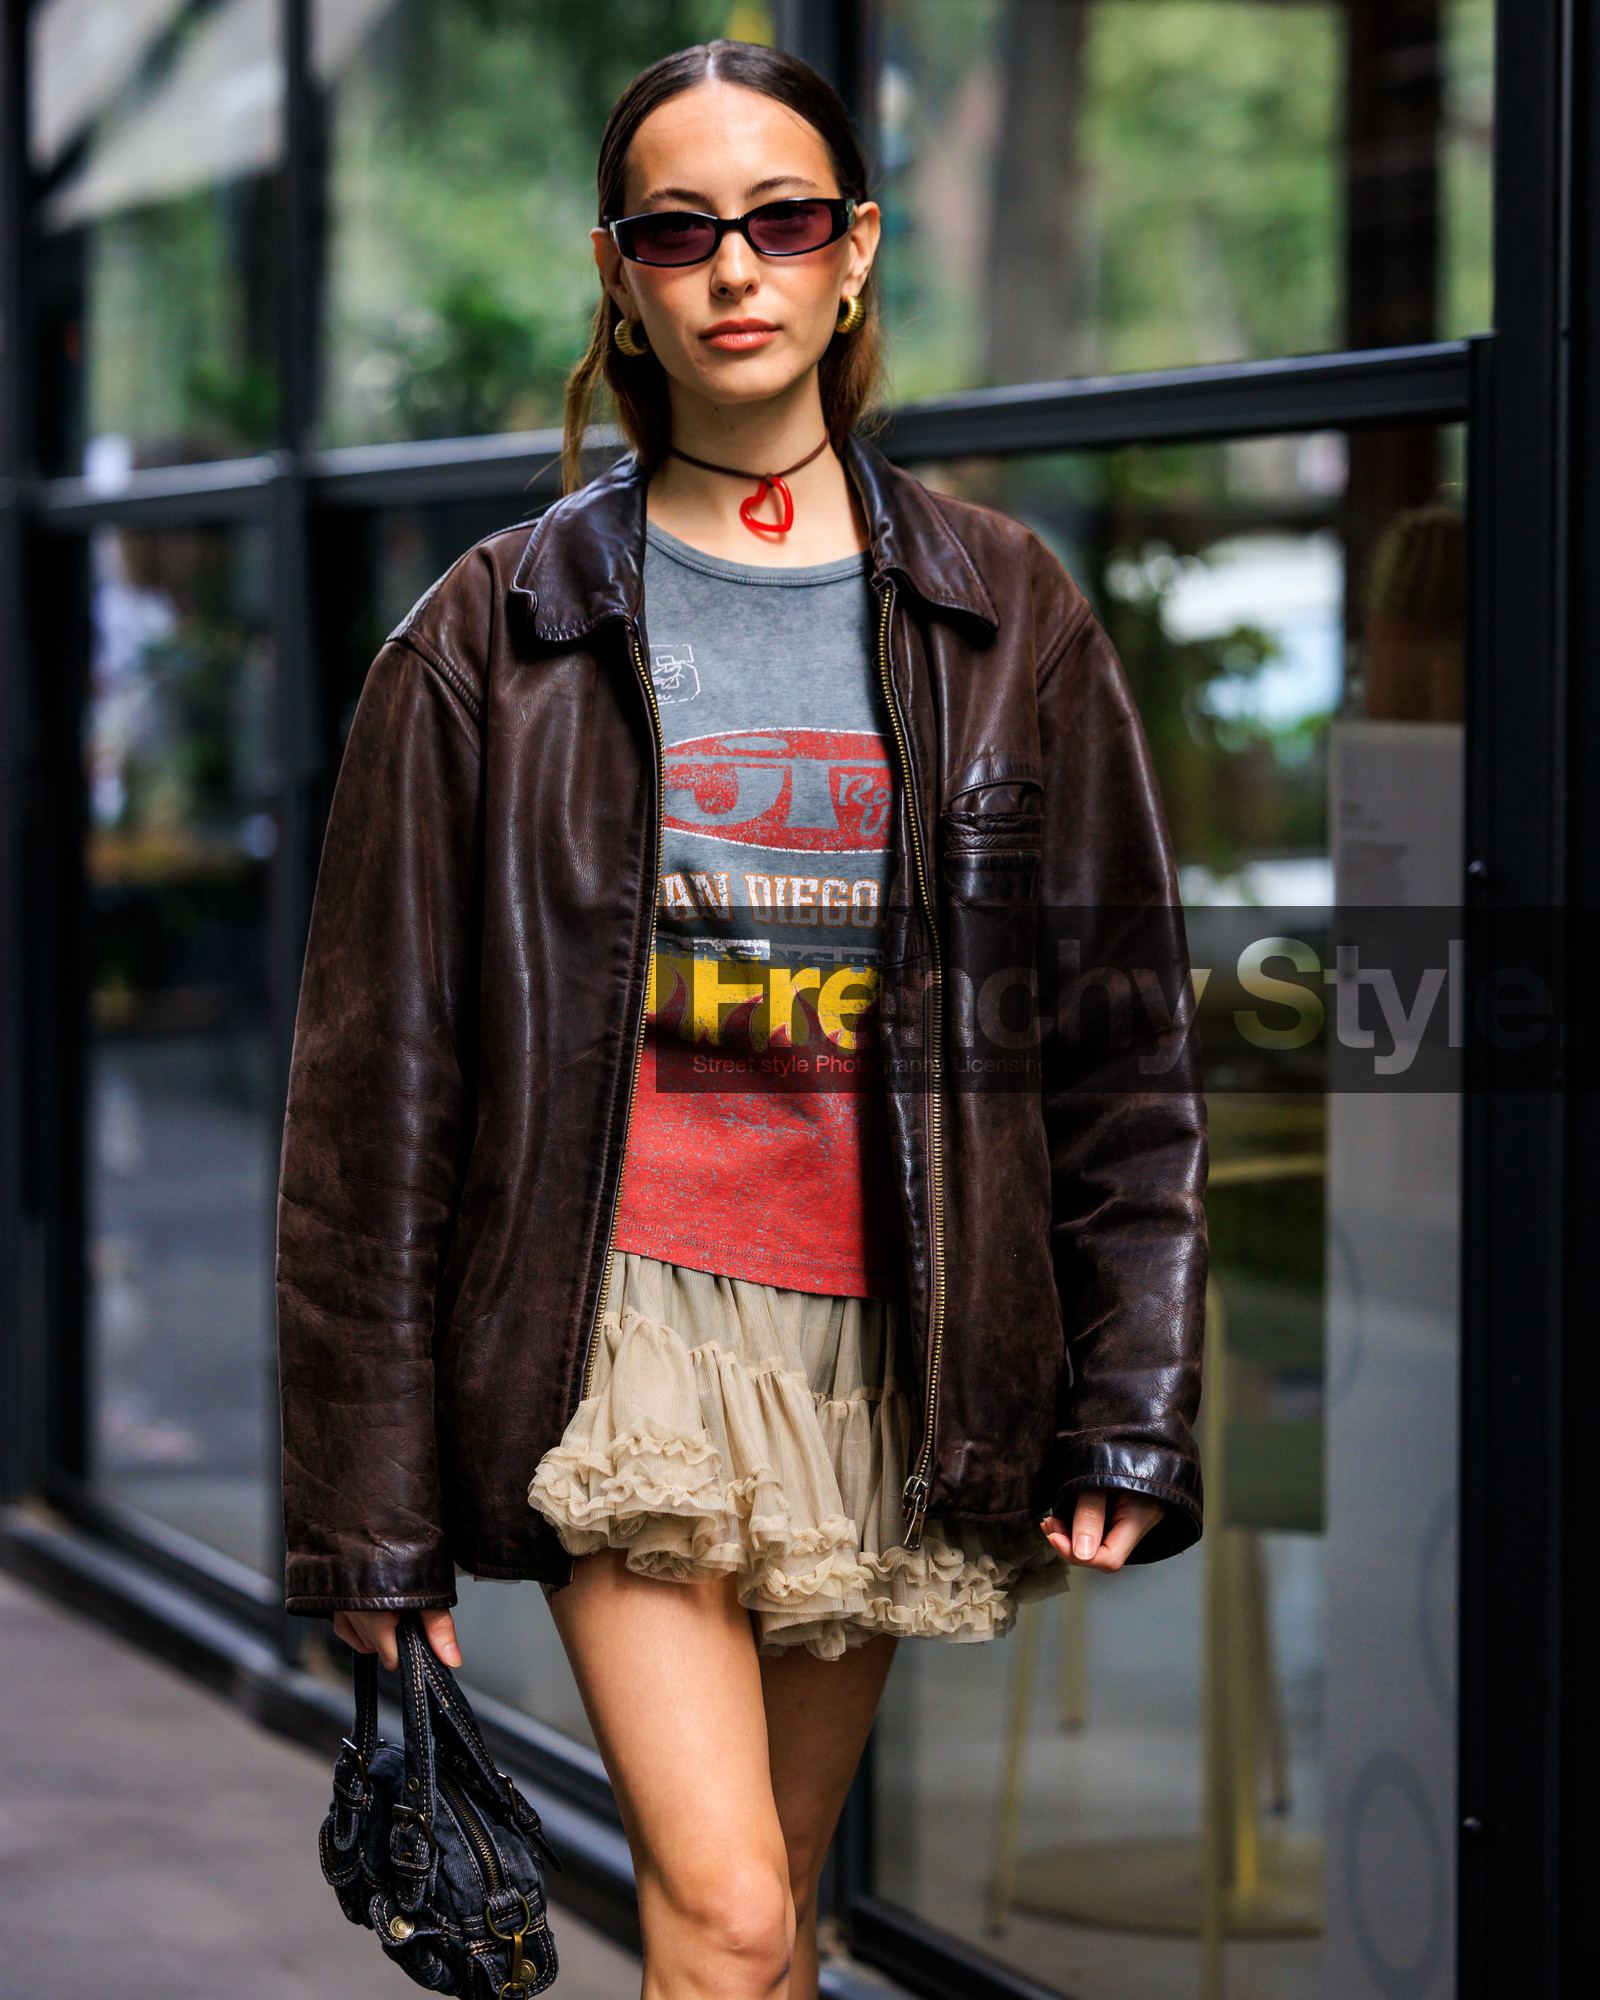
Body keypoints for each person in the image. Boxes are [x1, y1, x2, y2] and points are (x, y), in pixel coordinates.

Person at [275, 38, 1207, 2000]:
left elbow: (1116, 1028)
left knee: (770, 1916)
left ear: (853, 255)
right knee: (719, 1913)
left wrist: (1130, 1390)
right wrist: (368, 1538)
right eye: (678, 229)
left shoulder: (1000, 607)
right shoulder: (492, 630)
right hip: (620, 1328)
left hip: (883, 1330)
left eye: (780, 220)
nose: (734, 267)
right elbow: (372, 1106)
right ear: (619, 275)